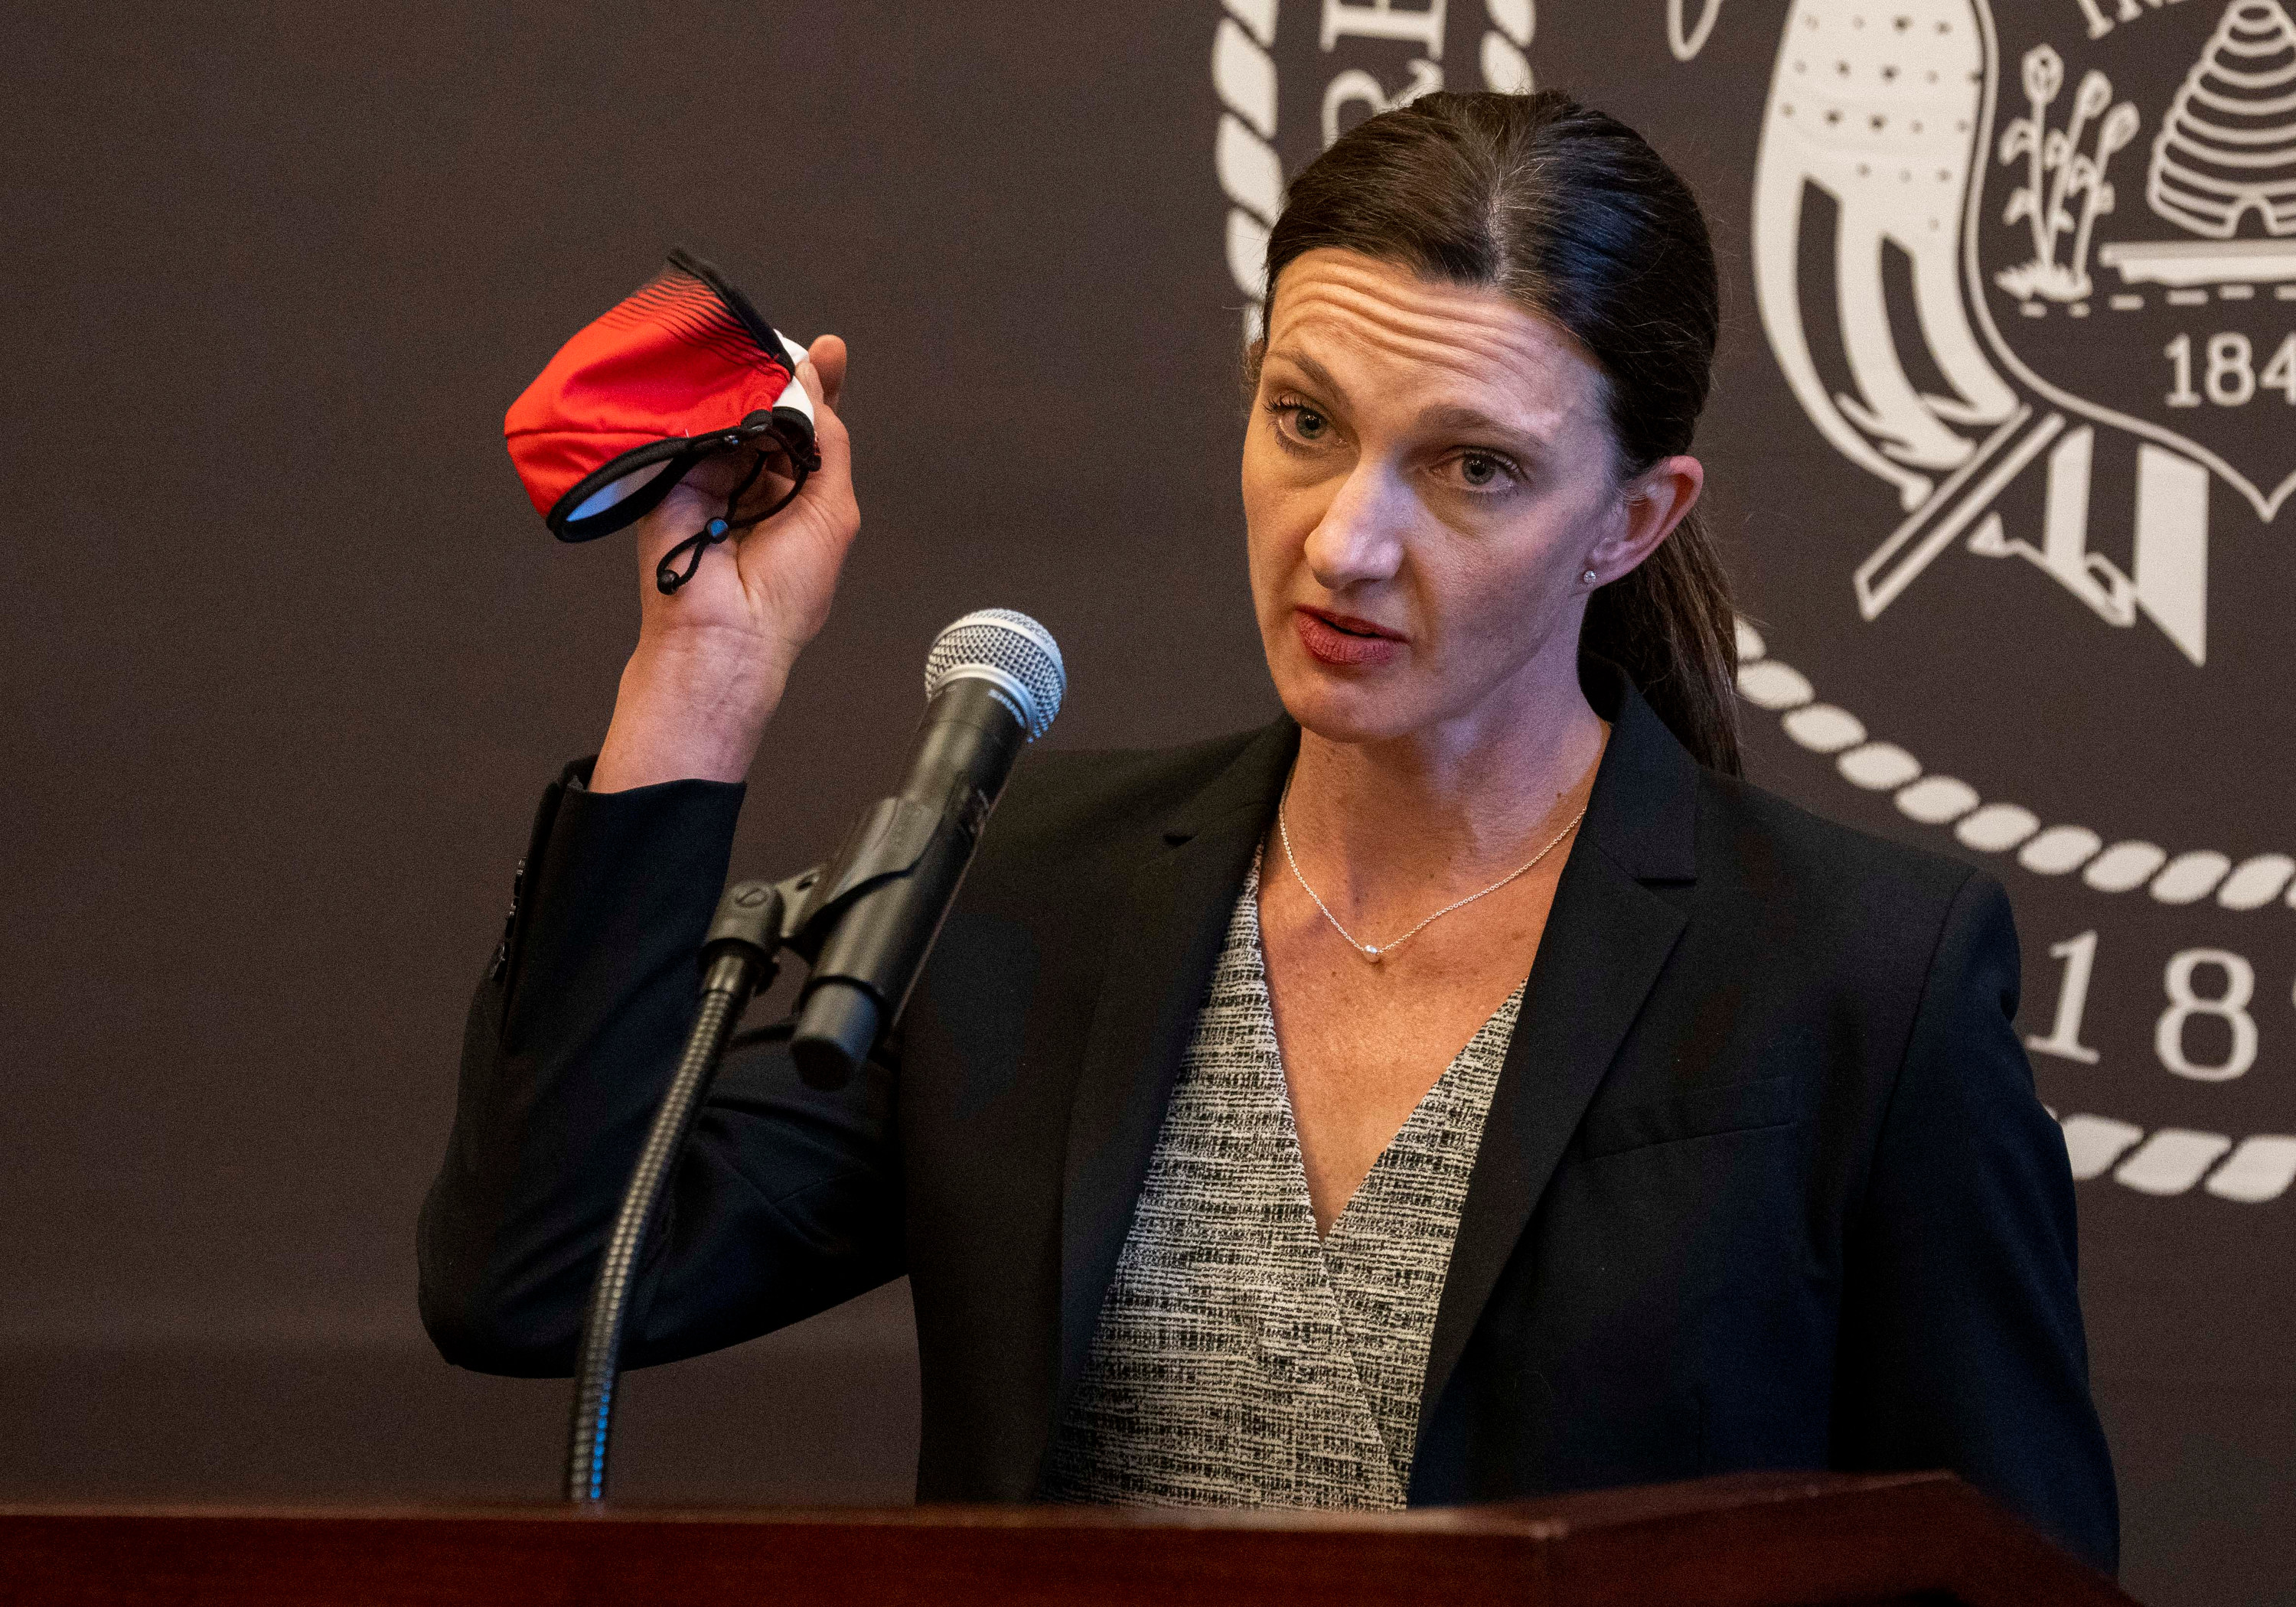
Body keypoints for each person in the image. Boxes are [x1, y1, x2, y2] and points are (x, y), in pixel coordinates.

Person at [419, 91, 2118, 1568]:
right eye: (1305, 422)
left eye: (1473, 471)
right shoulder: (1034, 886)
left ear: (1634, 516)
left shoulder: (1857, 976)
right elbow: (543, 1275)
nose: (1346, 543)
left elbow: (2010, 1570)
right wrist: (704, 674)